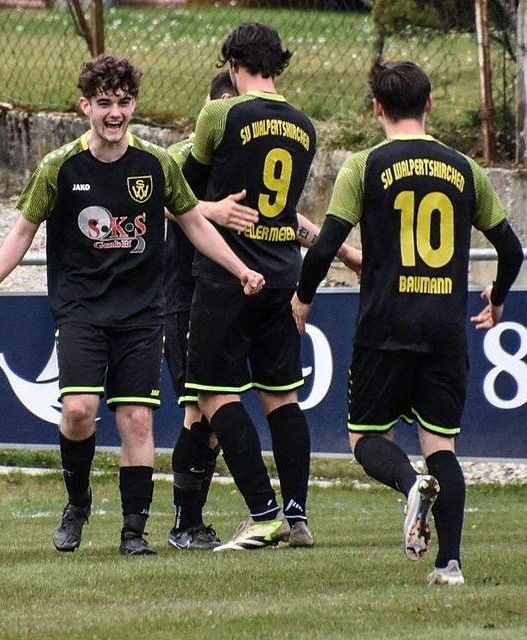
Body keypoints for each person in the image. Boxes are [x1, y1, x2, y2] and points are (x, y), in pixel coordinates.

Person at [0, 53, 265, 556]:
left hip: (142, 314)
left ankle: (133, 532)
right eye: (104, 103)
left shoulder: (157, 163)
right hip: (81, 309)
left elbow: (193, 221)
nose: (114, 113)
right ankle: (78, 501)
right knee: (80, 410)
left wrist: (240, 268)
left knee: (138, 420)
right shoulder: (58, 167)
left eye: (123, 103)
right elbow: (23, 229)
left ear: (134, 106)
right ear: (85, 106)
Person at [291, 60, 523, 585]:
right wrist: (499, 295)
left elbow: (326, 244)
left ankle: (409, 482)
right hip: (444, 326)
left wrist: (303, 299)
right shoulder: (464, 167)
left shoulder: (364, 166)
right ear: (431, 103)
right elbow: (510, 247)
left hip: (385, 324)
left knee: (365, 438)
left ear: (376, 107)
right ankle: (451, 564)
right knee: (442, 446)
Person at [165, 70, 362, 550]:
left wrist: (345, 252)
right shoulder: (176, 156)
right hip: (188, 295)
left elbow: (279, 215)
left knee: (212, 408)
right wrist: (213, 209)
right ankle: (195, 521)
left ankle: (261, 516)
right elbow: (162, 201)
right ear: (214, 110)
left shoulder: (246, 148)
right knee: (203, 414)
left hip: (240, 288)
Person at [180, 23, 320, 551]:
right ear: (277, 65)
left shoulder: (221, 112)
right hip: (284, 271)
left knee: (214, 393)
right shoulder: (306, 127)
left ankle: (263, 514)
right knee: (282, 397)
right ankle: (298, 516)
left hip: (227, 273)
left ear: (234, 64)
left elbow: (187, 193)